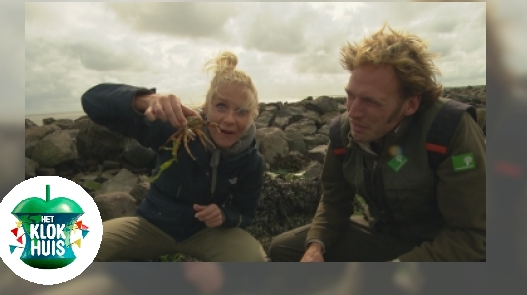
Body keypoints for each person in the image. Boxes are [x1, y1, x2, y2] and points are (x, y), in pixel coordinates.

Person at [269, 24, 486, 262]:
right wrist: (316, 246)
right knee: (284, 250)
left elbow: (476, 237)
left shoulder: (448, 130)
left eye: (371, 102)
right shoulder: (344, 132)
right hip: (382, 237)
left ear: (410, 104)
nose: (353, 112)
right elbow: (334, 199)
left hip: (442, 249)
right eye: (350, 95)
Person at [82, 51, 267, 262]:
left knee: (255, 263)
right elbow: (91, 101)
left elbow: (245, 213)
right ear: (206, 107)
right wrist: (145, 100)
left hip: (207, 232)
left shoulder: (251, 160)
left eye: (241, 111)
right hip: (152, 224)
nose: (229, 119)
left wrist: (225, 215)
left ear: (252, 116)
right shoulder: (175, 127)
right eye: (221, 106)